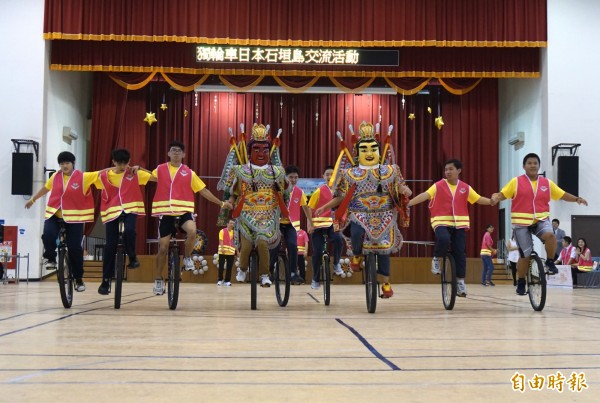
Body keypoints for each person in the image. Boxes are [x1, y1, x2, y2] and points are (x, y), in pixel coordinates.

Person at [316, 122, 412, 298]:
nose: (369, 153)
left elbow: (400, 188)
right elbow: (341, 197)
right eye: (364, 149)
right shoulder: (349, 174)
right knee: (357, 231)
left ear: (378, 151)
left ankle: (385, 283)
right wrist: (324, 206)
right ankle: (357, 255)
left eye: (373, 149)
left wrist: (405, 191)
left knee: (383, 249)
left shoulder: (391, 171)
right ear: (357, 153)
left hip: (384, 215)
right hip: (359, 214)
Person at [491, 152, 588, 296]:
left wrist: (576, 199)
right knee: (526, 255)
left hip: (541, 220)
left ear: (539, 166)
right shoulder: (516, 182)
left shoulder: (546, 183)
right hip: (521, 223)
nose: (532, 165)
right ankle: (522, 281)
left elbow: (562, 194)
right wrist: (495, 197)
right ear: (524, 166)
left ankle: (549, 262)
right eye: (529, 163)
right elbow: (502, 194)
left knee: (550, 236)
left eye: (535, 163)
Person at [151, 140, 230, 295]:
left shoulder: (189, 173)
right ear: (168, 153)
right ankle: (158, 279)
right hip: (166, 213)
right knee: (163, 248)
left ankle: (187, 257)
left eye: (179, 151)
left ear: (183, 154)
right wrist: (134, 169)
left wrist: (221, 203)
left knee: (192, 231)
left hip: (184, 213)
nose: (176, 153)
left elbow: (204, 191)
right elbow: (145, 177)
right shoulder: (160, 170)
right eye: (173, 150)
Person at [408, 159, 494, 297]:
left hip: (459, 224)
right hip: (440, 221)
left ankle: (460, 282)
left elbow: (477, 199)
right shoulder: (438, 185)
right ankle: (436, 258)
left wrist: (491, 201)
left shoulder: (465, 187)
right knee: (443, 238)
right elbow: (425, 195)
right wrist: (409, 204)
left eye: (451, 169)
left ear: (459, 171)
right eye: (446, 169)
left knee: (460, 252)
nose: (447, 172)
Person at [223, 124, 286, 288]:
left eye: (265, 150)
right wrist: (230, 201)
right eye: (256, 149)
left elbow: (284, 192)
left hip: (268, 214)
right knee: (247, 244)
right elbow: (232, 192)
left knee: (262, 241)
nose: (261, 153)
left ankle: (265, 274)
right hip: (246, 214)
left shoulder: (277, 171)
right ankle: (242, 269)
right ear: (250, 150)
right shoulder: (240, 170)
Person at [24, 151, 97, 292]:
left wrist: (121, 168)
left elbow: (101, 173)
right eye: (62, 163)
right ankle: (51, 258)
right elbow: (46, 188)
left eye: (67, 163)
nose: (64, 166)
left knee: (75, 248)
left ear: (73, 163)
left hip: (75, 218)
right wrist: (33, 199)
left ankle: (78, 278)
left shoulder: (83, 177)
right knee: (48, 235)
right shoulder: (56, 177)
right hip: (55, 214)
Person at [94, 148, 154, 295]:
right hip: (111, 211)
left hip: (130, 209)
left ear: (129, 162)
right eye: (119, 163)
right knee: (110, 246)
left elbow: (156, 177)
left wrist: (141, 168)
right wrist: (108, 168)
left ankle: (132, 257)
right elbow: (86, 177)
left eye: (125, 163)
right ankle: (106, 280)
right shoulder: (104, 176)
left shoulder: (134, 173)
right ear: (113, 161)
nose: (122, 167)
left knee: (129, 230)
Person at [269, 165, 311, 285]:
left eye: (296, 177)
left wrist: (310, 223)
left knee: (293, 245)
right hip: (276, 224)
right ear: (285, 177)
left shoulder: (299, 192)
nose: (293, 180)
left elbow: (306, 208)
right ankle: (270, 270)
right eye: (291, 177)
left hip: (291, 225)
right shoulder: (277, 189)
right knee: (274, 246)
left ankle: (293, 272)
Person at [307, 165, 344, 290]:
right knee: (317, 252)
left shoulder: (339, 191)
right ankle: (315, 278)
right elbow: (309, 208)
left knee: (339, 240)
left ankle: (336, 263)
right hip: (318, 225)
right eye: (327, 174)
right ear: (323, 176)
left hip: (333, 223)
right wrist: (310, 225)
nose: (329, 176)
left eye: (332, 174)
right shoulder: (319, 190)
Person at [217, 218, 236, 286]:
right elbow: (221, 240)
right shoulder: (222, 231)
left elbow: (235, 243)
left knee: (229, 267)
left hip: (231, 252)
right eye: (231, 223)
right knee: (221, 266)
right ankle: (220, 280)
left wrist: (238, 252)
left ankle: (227, 281)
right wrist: (222, 248)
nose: (232, 225)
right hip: (223, 251)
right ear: (227, 224)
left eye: (233, 223)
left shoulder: (234, 232)